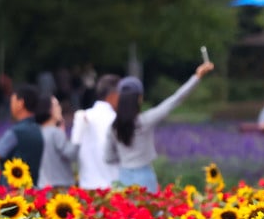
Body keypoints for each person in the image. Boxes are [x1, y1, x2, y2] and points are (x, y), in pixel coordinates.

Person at [105, 60, 214, 191]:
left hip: (123, 177)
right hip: (144, 176)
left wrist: (125, 159)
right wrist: (197, 77)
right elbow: (175, 99)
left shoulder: (113, 127)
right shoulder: (145, 121)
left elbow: (108, 157)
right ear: (139, 98)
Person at [70, 74, 120, 191]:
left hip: (86, 188)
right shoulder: (116, 120)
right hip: (112, 189)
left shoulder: (82, 117)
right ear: (113, 95)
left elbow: (73, 150)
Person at [37, 97, 80, 189]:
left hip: (43, 185)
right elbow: (71, 154)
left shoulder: (38, 132)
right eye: (57, 105)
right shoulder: (56, 132)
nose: (60, 108)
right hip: (61, 186)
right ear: (49, 110)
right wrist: (78, 134)